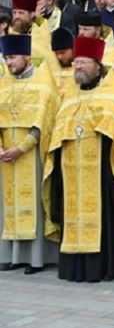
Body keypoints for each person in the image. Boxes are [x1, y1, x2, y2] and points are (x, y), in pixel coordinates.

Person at [46, 36, 114, 282]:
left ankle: (104, 267)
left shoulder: (112, 93)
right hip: (71, 168)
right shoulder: (70, 95)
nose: (78, 67)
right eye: (76, 63)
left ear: (97, 65)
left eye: (84, 63)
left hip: (102, 169)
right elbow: (60, 127)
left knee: (104, 216)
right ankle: (74, 268)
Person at [0, 34, 59, 274]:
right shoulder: (3, 83)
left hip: (30, 153)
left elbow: (43, 123)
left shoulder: (43, 83)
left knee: (33, 204)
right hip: (5, 154)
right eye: (5, 58)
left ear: (26, 56)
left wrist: (21, 148)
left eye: (12, 57)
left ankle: (35, 258)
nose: (9, 63)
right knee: (7, 204)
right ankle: (9, 254)